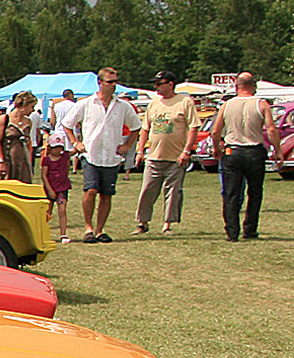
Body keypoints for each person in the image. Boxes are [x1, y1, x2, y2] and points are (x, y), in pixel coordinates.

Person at [65, 68, 138, 242]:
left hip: (111, 156)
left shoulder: (123, 106)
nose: (114, 85)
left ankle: (99, 230)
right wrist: (76, 143)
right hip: (91, 154)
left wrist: (127, 145)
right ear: (100, 83)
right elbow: (67, 124)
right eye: (110, 82)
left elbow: (136, 127)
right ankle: (88, 228)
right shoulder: (86, 103)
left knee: (106, 194)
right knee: (90, 190)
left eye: (115, 82)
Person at [210, 71, 282, 241]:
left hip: (232, 151)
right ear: (253, 86)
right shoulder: (261, 104)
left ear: (237, 86)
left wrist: (215, 148)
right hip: (254, 151)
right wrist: (277, 149)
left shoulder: (226, 105)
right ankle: (250, 229)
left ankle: (232, 232)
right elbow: (271, 129)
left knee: (231, 193)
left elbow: (215, 131)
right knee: (255, 192)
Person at [133, 71, 194, 234]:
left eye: (160, 83)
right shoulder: (154, 104)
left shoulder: (185, 102)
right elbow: (145, 129)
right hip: (154, 156)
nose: (156, 87)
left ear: (171, 84)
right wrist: (140, 151)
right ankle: (143, 223)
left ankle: (168, 224)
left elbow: (193, 127)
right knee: (147, 190)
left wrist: (186, 151)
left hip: (176, 157)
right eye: (156, 84)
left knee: (173, 191)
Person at [0, 91, 39, 183]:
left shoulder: (28, 122)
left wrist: (29, 163)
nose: (33, 110)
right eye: (31, 107)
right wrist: (1, 161)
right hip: (7, 159)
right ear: (23, 106)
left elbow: (28, 143)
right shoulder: (5, 119)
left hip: (22, 161)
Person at [39, 132, 72, 243]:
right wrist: (49, 190)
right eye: (55, 147)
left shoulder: (65, 157)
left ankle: (63, 234)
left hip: (62, 187)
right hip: (51, 187)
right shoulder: (46, 160)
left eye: (60, 147)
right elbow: (44, 175)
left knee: (62, 210)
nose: (57, 150)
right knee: (48, 211)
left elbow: (76, 150)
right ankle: (43, 233)